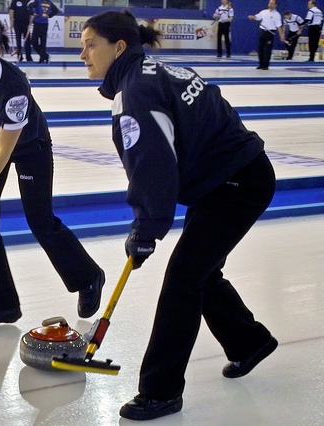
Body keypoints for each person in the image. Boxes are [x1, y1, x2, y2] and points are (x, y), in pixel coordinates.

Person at [79, 10, 278, 421]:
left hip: (237, 184)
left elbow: (152, 162)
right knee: (200, 270)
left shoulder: (135, 93)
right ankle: (249, 342)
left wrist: (147, 226)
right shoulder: (153, 72)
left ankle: (160, 391)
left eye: (90, 44)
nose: (83, 54)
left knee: (183, 279)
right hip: (231, 176)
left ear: (118, 48)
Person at [0, 15, 104, 329]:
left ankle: (88, 277)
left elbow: (5, 150)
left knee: (40, 220)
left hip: (29, 147)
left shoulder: (14, 88)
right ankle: (2, 307)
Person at [248, 0, 286, 70]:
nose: (270, 4)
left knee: (268, 49)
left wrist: (281, 35)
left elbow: (279, 26)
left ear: (275, 5)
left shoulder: (277, 15)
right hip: (262, 31)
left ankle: (266, 65)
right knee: (260, 48)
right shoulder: (264, 12)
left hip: (270, 33)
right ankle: (261, 64)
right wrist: (253, 17)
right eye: (269, 3)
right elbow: (257, 17)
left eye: (272, 3)